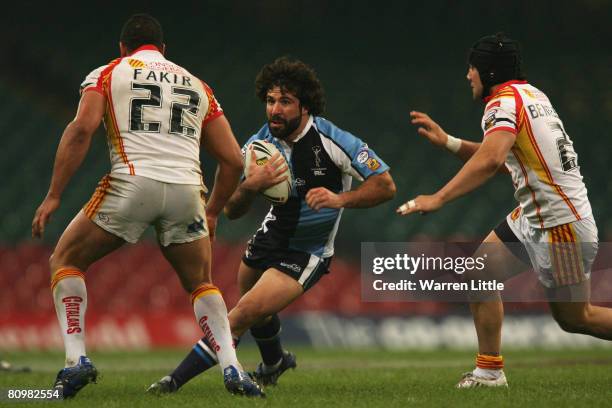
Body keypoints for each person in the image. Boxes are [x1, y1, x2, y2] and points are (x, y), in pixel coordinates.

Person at [31, 14, 263, 398]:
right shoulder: (198, 85)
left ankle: (75, 362)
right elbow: (235, 162)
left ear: (122, 47)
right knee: (201, 284)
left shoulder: (108, 73)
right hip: (188, 189)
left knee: (66, 260)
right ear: (165, 51)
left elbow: (81, 129)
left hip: (133, 182)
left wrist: (54, 193)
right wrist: (211, 210)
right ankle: (233, 368)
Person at [147, 56, 396, 394]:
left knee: (242, 313)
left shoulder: (333, 140)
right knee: (256, 309)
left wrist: (340, 200)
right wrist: (250, 185)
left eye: (285, 102)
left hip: (307, 251)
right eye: (270, 101)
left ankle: (172, 383)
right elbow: (234, 210)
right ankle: (276, 362)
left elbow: (385, 185)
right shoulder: (258, 146)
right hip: (269, 237)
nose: (275, 109)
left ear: (305, 106)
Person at [398, 32, 611, 388]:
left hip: (561, 226)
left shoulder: (502, 103)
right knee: (479, 274)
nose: (468, 75)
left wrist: (438, 198)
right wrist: (449, 142)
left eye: (473, 67)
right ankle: (489, 372)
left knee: (577, 318)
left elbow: (491, 159)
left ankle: (490, 371)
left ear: (489, 71)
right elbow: (504, 162)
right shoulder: (531, 96)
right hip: (537, 217)